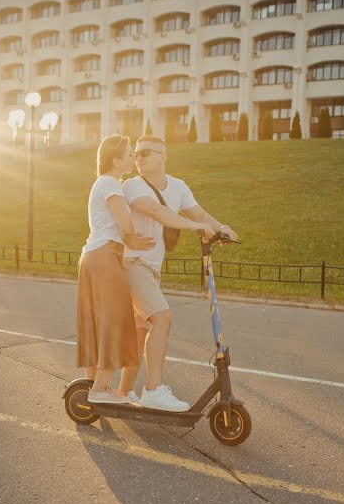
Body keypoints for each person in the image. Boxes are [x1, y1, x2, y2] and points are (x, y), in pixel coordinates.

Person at [118, 135, 240, 412]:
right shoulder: (132, 186)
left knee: (140, 331)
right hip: (132, 263)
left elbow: (199, 213)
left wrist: (223, 228)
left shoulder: (178, 186)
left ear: (163, 155)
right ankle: (153, 390)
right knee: (162, 317)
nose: (138, 157)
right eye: (136, 154)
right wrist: (194, 227)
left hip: (151, 268)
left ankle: (123, 393)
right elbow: (156, 212)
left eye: (146, 152)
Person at [77, 134, 156, 405]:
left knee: (96, 323)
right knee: (116, 321)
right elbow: (124, 223)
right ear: (115, 158)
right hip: (104, 257)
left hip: (92, 256)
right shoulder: (111, 183)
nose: (132, 158)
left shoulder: (103, 183)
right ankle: (100, 390)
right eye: (128, 153)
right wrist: (133, 237)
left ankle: (93, 386)